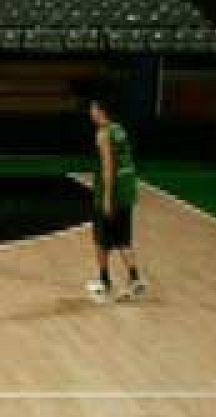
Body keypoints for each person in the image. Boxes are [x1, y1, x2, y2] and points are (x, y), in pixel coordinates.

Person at [87, 94, 147, 302]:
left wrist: (106, 198)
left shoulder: (103, 134)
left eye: (93, 108)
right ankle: (135, 280)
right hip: (127, 190)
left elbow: (108, 167)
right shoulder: (119, 129)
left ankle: (104, 282)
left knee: (101, 240)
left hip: (113, 192)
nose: (91, 112)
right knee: (123, 238)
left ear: (101, 111)